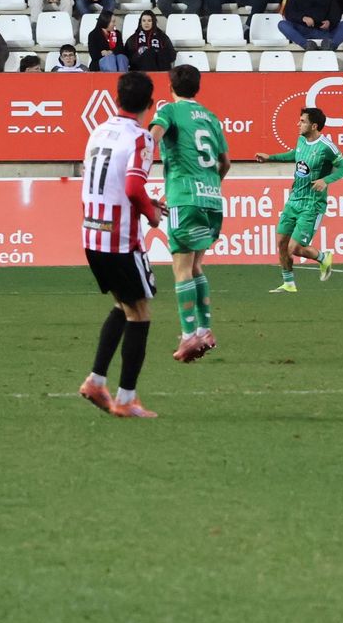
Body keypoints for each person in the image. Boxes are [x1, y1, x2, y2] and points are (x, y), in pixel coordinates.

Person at [77, 70, 163, 419]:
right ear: (150, 104)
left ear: (116, 99)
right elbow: (131, 187)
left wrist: (145, 202)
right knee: (139, 313)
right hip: (119, 239)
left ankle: (96, 381)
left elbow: (108, 181)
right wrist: (151, 214)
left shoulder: (99, 130)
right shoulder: (141, 138)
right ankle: (126, 400)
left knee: (123, 305)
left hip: (91, 233)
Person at [148, 64, 229, 368]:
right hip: (212, 198)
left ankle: (188, 336)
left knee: (181, 269)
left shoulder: (169, 111)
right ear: (198, 87)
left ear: (170, 87)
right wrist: (210, 186)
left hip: (185, 196)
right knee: (196, 266)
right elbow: (226, 162)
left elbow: (152, 138)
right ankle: (205, 331)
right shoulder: (210, 117)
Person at [254, 107, 343, 292]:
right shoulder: (301, 140)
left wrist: (325, 180)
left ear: (314, 126)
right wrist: (270, 158)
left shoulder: (326, 147)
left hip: (312, 204)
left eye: (303, 121)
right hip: (294, 200)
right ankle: (289, 284)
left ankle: (323, 257)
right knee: (282, 243)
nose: (298, 124)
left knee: (294, 248)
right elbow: (294, 155)